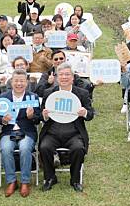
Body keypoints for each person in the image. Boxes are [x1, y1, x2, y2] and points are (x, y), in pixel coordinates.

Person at [39, 63, 95, 192]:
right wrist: (45, 115)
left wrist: (84, 112)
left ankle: (75, 179)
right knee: (44, 147)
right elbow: (41, 116)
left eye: (67, 74)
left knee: (78, 148)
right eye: (61, 75)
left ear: (73, 77)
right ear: (57, 77)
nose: (64, 77)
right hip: (52, 132)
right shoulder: (48, 93)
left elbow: (91, 114)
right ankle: (50, 177)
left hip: (73, 132)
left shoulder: (82, 93)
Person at [0, 69, 42, 198]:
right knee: (5, 148)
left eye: (22, 81)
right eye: (16, 81)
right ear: (11, 82)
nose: (19, 84)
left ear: (26, 83)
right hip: (8, 131)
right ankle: (11, 181)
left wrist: (31, 116)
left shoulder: (32, 97)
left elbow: (38, 119)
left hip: (26, 131)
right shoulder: (4, 97)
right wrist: (3, 120)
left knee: (25, 148)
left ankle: (25, 181)